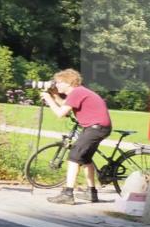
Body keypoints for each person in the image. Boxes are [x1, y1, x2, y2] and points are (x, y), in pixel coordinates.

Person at [42, 69, 112, 204]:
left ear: (68, 83)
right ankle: (91, 192)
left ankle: (68, 194)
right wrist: (55, 96)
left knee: (74, 158)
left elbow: (60, 113)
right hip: (98, 127)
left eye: (58, 83)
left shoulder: (77, 92)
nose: (56, 85)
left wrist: (48, 98)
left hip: (95, 128)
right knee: (85, 159)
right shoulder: (79, 92)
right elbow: (66, 105)